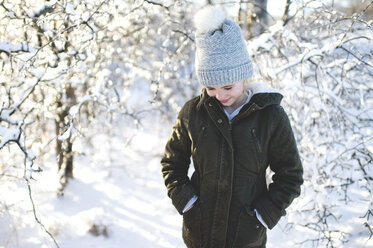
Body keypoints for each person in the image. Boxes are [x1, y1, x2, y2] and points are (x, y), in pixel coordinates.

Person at [161, 5, 303, 248]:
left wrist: (262, 215)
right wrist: (187, 202)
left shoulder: (271, 116)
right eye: (211, 88)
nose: (219, 95)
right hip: (200, 235)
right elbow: (172, 164)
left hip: (246, 237)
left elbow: (290, 175)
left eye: (227, 87)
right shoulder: (192, 113)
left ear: (244, 76)